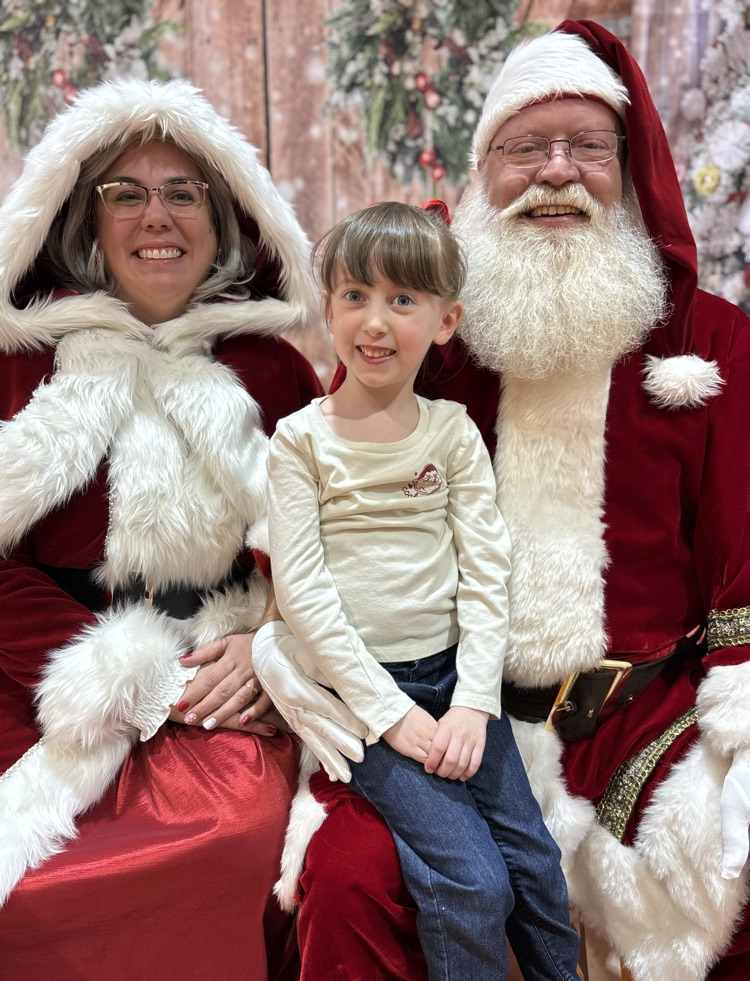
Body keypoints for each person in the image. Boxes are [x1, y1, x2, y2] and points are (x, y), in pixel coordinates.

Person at [254, 19, 750, 981]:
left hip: (642, 718)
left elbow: (745, 567)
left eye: (586, 146)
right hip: (433, 707)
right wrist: (268, 636)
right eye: (526, 147)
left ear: (629, 166)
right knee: (350, 878)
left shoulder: (710, 336)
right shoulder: (429, 334)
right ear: (484, 169)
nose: (556, 171)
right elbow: (316, 505)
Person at [0, 76, 325, 980]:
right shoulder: (20, 370)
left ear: (222, 219)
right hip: (33, 679)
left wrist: (275, 644)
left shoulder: (273, 368)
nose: (158, 216)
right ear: (84, 219)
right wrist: (129, 682)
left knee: (231, 841)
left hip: (226, 683)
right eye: (128, 193)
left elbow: (345, 545)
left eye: (183, 192)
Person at [259, 201, 580, 981]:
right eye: (355, 296)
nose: (376, 321)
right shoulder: (302, 441)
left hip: (455, 678)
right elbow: (301, 593)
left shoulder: (450, 432)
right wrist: (390, 713)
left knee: (535, 865)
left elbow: (485, 570)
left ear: (445, 320)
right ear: (329, 306)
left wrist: (473, 699)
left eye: (403, 299)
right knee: (471, 876)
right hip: (367, 696)